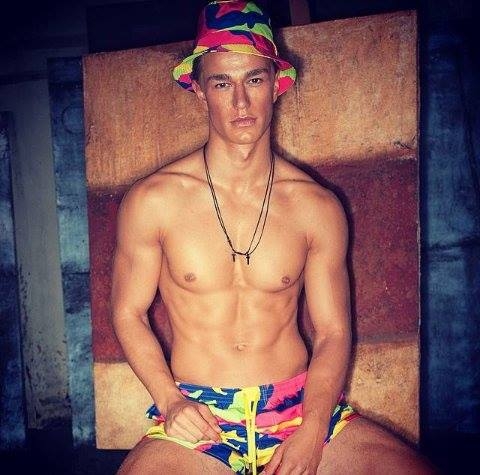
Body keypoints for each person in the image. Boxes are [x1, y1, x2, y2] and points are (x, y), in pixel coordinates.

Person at [112, 1, 437, 474]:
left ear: (277, 85)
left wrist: (313, 428)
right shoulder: (153, 201)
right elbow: (127, 311)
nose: (240, 102)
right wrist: (170, 400)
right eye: (222, 83)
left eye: (254, 80)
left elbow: (333, 332)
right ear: (199, 91)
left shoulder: (316, 206)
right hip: (199, 414)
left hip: (301, 406)